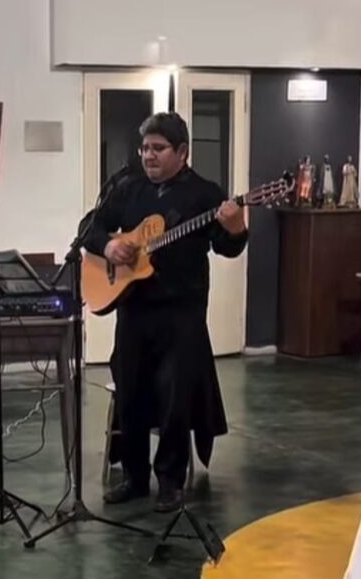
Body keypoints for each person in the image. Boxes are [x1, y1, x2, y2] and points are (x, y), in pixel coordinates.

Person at [82, 112, 248, 513]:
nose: (148, 155)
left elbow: (227, 248)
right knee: (131, 391)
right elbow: (90, 227)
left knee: (175, 395)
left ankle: (170, 481)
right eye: (144, 148)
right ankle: (134, 477)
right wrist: (109, 246)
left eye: (158, 148)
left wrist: (237, 226)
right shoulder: (128, 187)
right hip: (134, 309)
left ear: (182, 152)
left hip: (181, 311)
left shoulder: (205, 195)